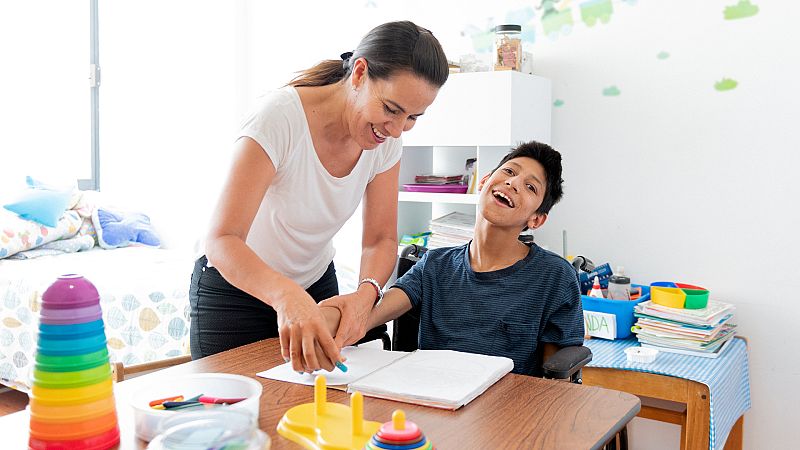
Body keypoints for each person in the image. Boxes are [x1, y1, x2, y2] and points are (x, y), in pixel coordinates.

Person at [189, 21, 449, 373]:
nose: (397, 129)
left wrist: (366, 293)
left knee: (318, 409)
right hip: (235, 289)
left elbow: (380, 239)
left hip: (314, 284)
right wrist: (285, 296)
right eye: (390, 109)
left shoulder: (387, 142)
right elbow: (222, 239)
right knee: (236, 415)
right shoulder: (278, 119)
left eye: (413, 117)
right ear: (359, 73)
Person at [320, 141, 585, 375]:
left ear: (536, 219)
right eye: (509, 171)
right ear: (483, 182)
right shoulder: (434, 265)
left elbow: (556, 378)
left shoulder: (555, 276)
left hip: (505, 413)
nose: (513, 183)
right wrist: (314, 322)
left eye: (530, 187)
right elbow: (368, 314)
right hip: (434, 401)